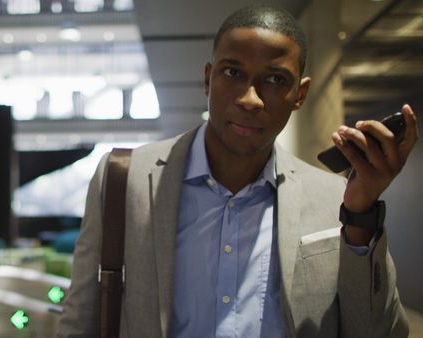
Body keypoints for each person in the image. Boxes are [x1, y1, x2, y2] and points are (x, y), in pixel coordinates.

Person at [55, 5, 417, 338]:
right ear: (208, 79)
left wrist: (361, 215)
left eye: (275, 80)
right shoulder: (126, 179)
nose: (250, 100)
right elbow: (79, 320)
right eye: (233, 73)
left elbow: (380, 332)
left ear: (300, 94)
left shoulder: (334, 200)